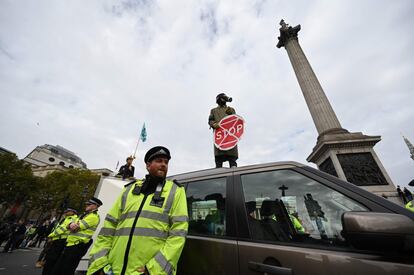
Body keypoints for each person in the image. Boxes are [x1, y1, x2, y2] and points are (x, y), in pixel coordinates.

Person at [87, 146, 188, 275]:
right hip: (113, 270)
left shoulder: (176, 191)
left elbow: (178, 234)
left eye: (166, 162)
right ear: (148, 165)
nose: (163, 164)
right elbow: (108, 228)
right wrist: (100, 264)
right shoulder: (128, 190)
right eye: (159, 161)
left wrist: (153, 269)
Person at [52, 198, 102, 275]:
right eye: (87, 204)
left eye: (89, 204)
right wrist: (71, 225)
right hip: (70, 245)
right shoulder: (84, 215)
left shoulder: (93, 217)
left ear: (95, 206)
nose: (86, 205)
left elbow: (74, 228)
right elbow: (69, 227)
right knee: (59, 269)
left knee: (67, 270)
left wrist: (72, 226)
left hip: (76, 246)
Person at [41, 208, 78, 275]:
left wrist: (51, 236)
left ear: (73, 212)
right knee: (52, 259)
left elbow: (62, 229)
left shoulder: (71, 219)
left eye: (68, 211)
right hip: (58, 240)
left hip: (60, 241)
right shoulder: (67, 218)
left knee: (51, 260)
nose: (65, 212)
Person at [208, 93, 239, 168]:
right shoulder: (213, 111)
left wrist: (232, 114)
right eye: (223, 98)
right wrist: (214, 124)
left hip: (230, 137)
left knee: (232, 161)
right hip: (220, 138)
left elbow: (236, 121)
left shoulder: (231, 109)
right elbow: (210, 120)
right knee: (218, 161)